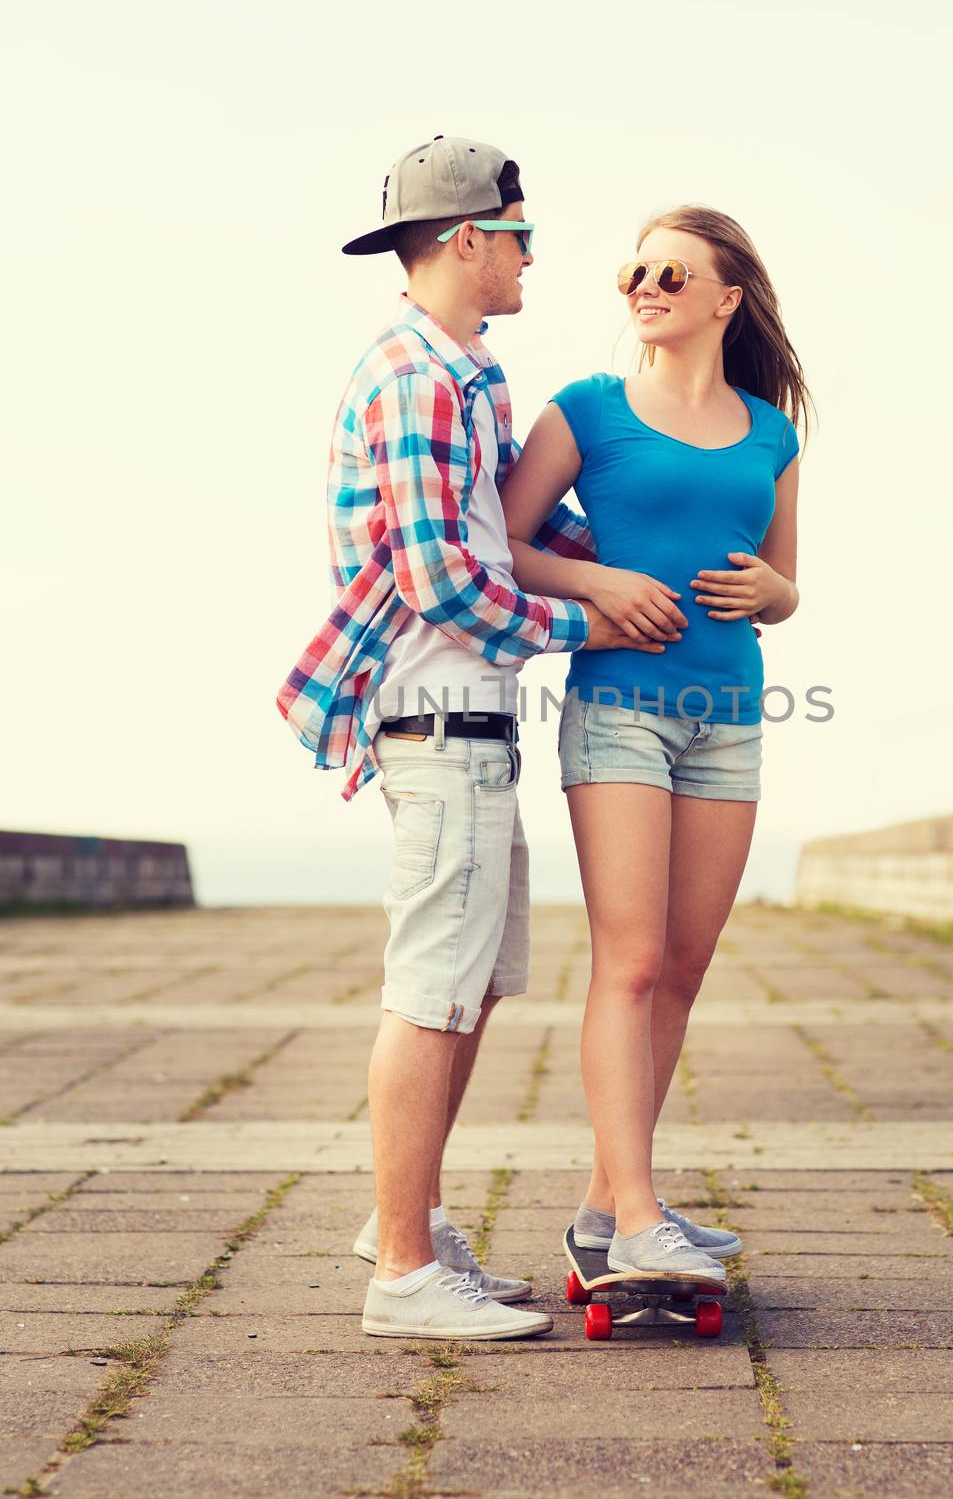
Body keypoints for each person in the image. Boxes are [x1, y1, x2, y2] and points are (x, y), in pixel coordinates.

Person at [275, 136, 681, 1340]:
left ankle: (414, 1225)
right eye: (520, 238)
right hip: (437, 716)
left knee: (474, 989)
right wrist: (592, 610)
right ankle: (401, 1273)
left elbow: (519, 512)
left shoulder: (469, 373)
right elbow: (449, 578)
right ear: (467, 239)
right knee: (431, 994)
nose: (530, 260)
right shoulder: (412, 374)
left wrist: (610, 540)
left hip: (475, 724)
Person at [499, 204, 811, 1281]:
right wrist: (597, 579)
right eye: (636, 270)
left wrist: (779, 591)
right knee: (628, 963)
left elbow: (783, 584)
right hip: (619, 709)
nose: (646, 285)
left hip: (729, 721)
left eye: (672, 274)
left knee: (682, 966)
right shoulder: (584, 410)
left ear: (726, 297)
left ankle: (607, 1208)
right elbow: (507, 542)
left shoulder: (774, 432)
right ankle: (636, 1222)